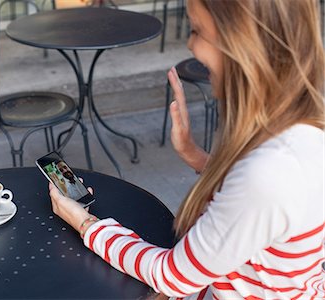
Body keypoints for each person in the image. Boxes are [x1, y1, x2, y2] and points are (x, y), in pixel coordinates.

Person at [48, 0, 325, 298]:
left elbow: (172, 276)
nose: (190, 45)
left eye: (198, 30)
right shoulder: (299, 131)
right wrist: (196, 156)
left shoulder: (270, 171)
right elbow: (260, 210)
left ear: (242, 41)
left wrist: (86, 223)